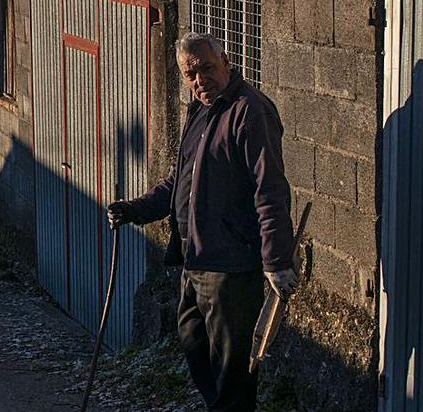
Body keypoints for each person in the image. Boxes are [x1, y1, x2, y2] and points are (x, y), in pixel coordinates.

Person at [107, 32, 296, 412]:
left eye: (207, 69)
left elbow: (270, 187)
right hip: (194, 261)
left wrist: (276, 260)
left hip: (230, 267)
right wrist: (134, 210)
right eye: (190, 74)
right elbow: (179, 182)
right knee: (194, 346)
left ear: (225, 61)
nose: (199, 80)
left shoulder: (249, 110)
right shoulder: (201, 111)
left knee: (233, 373)